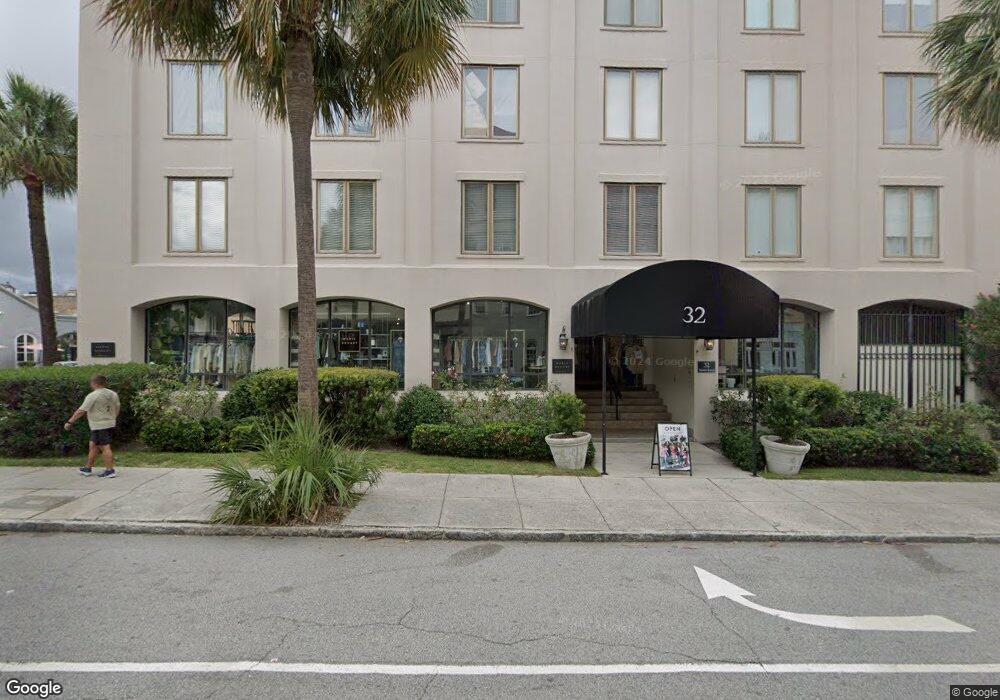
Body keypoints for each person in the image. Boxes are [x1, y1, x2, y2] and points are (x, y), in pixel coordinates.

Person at [64, 374, 121, 478]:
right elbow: (117, 407)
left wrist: (70, 422)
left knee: (105, 446)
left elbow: (81, 411)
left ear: (94, 383)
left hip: (99, 425)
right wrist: (112, 418)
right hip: (109, 423)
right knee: (93, 445)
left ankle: (110, 470)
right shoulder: (113, 394)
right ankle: (87, 468)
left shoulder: (93, 395)